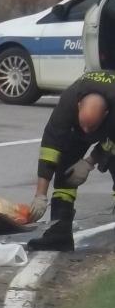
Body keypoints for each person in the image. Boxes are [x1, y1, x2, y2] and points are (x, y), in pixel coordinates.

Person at [27, 70, 115, 251]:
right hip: (76, 129)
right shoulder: (68, 103)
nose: (87, 131)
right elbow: (50, 146)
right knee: (65, 172)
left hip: (112, 131)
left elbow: (111, 143)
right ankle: (60, 234)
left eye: (92, 127)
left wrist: (90, 161)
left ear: (105, 113)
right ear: (79, 105)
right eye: (84, 124)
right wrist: (40, 195)